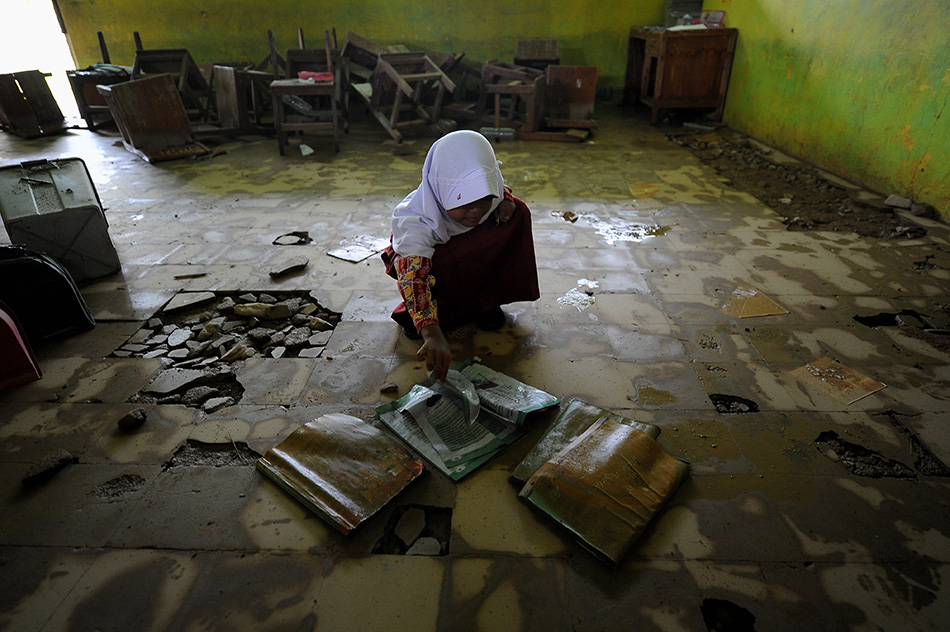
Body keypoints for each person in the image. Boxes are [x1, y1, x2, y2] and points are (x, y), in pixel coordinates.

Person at [382, 130, 540, 382]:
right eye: (464, 202)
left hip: (468, 264)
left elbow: (498, 187)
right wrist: (431, 334)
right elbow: (413, 277)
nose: (476, 211)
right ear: (442, 192)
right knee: (423, 296)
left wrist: (504, 199)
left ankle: (484, 302)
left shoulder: (489, 193)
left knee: (518, 211)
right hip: (434, 266)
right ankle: (432, 315)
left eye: (484, 200)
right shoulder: (413, 219)